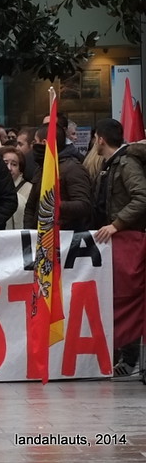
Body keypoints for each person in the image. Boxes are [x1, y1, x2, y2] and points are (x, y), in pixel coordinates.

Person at [91, 118, 146, 377]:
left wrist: (117, 224)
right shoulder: (113, 164)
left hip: (128, 241)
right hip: (120, 241)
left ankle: (131, 358)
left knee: (128, 299)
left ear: (100, 139)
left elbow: (142, 197)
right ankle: (127, 357)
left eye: (95, 138)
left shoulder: (126, 163)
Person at [23, 124, 92, 232]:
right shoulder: (41, 168)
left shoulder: (73, 169)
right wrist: (30, 230)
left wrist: (57, 205)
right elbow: (31, 205)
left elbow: (84, 205)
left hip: (64, 236)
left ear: (44, 143)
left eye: (35, 142)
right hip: (40, 235)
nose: (33, 147)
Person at [0, 146, 31, 229]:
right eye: (5, 163)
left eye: (14, 164)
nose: (9, 168)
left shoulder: (29, 189)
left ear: (20, 169)